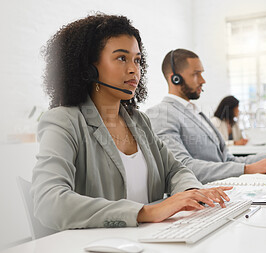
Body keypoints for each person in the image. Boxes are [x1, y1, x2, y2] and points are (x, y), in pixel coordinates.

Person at [31, 14, 231, 231]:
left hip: (149, 240)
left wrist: (192, 193)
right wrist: (145, 212)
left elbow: (175, 170)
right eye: (121, 58)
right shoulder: (64, 121)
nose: (134, 69)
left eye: (137, 60)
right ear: (89, 68)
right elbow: (48, 202)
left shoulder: (139, 121)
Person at [146, 49, 266, 184]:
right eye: (196, 74)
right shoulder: (161, 114)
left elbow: (227, 161)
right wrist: (247, 169)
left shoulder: (196, 112)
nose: (203, 80)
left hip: (224, 191)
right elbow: (183, 168)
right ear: (175, 78)